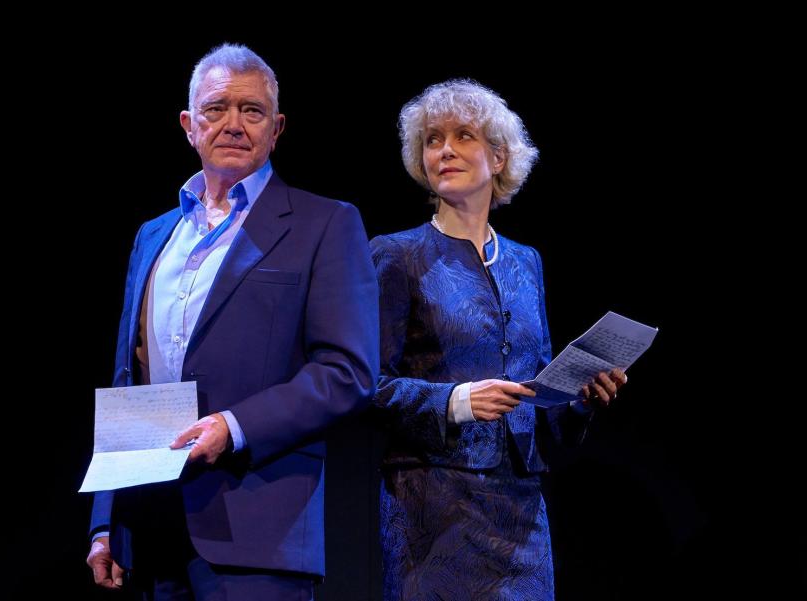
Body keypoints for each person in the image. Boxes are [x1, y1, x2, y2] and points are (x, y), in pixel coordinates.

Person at [85, 43, 379, 601]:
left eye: (253, 111)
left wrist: (234, 426)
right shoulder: (153, 235)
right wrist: (107, 520)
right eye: (216, 109)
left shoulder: (325, 224)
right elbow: (130, 384)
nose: (234, 125)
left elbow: (348, 371)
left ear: (277, 127)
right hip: (150, 531)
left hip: (259, 533)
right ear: (189, 125)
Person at [370, 79, 627, 600]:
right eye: (432, 140)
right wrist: (456, 401)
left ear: (499, 155)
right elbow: (363, 386)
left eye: (463, 135)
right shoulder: (395, 256)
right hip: (434, 513)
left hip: (520, 513)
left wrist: (581, 397)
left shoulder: (525, 262)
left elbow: (544, 404)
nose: (444, 150)